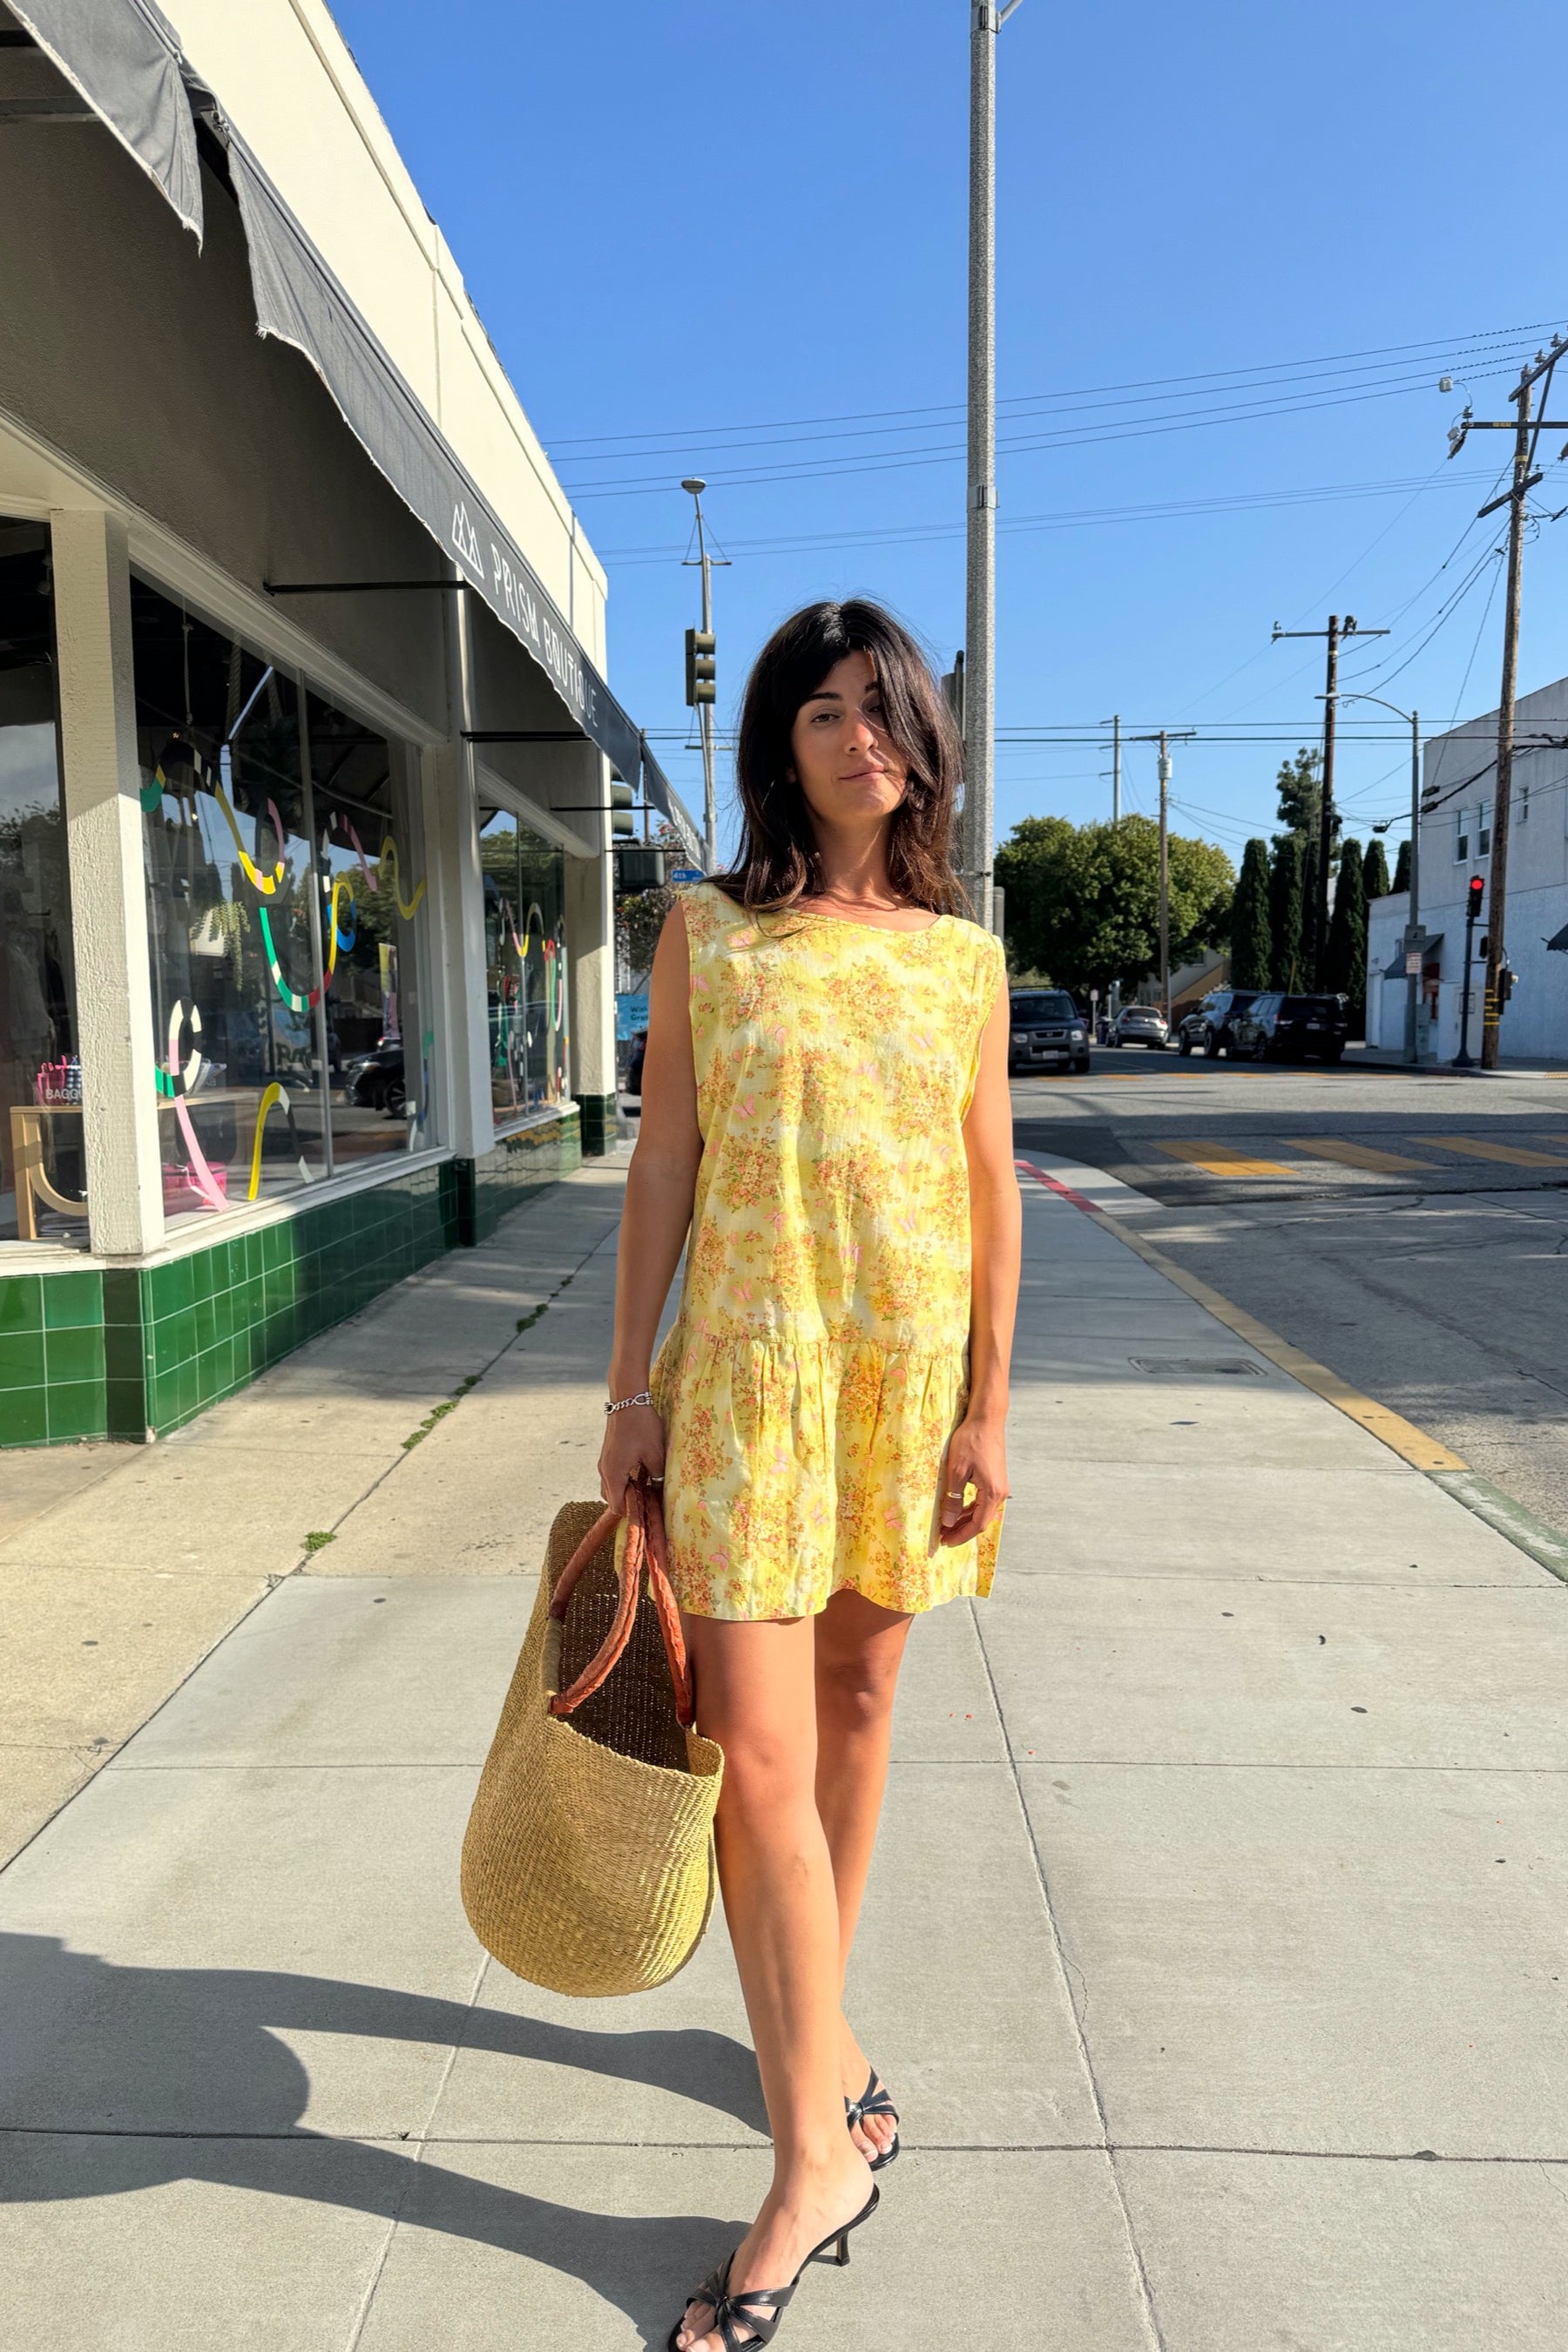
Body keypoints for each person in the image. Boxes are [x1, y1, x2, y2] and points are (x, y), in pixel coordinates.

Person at [598, 598, 1020, 2352]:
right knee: (753, 1751)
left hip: (903, 1389)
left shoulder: (965, 959)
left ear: (923, 747)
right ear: (781, 737)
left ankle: (823, 2040)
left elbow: (990, 1191)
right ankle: (808, 2160)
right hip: (748, 1387)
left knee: (855, 1712)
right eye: (831, 710)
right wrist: (625, 1390)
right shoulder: (709, 933)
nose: (864, 737)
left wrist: (991, 1407)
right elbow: (663, 1169)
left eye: (890, 711)